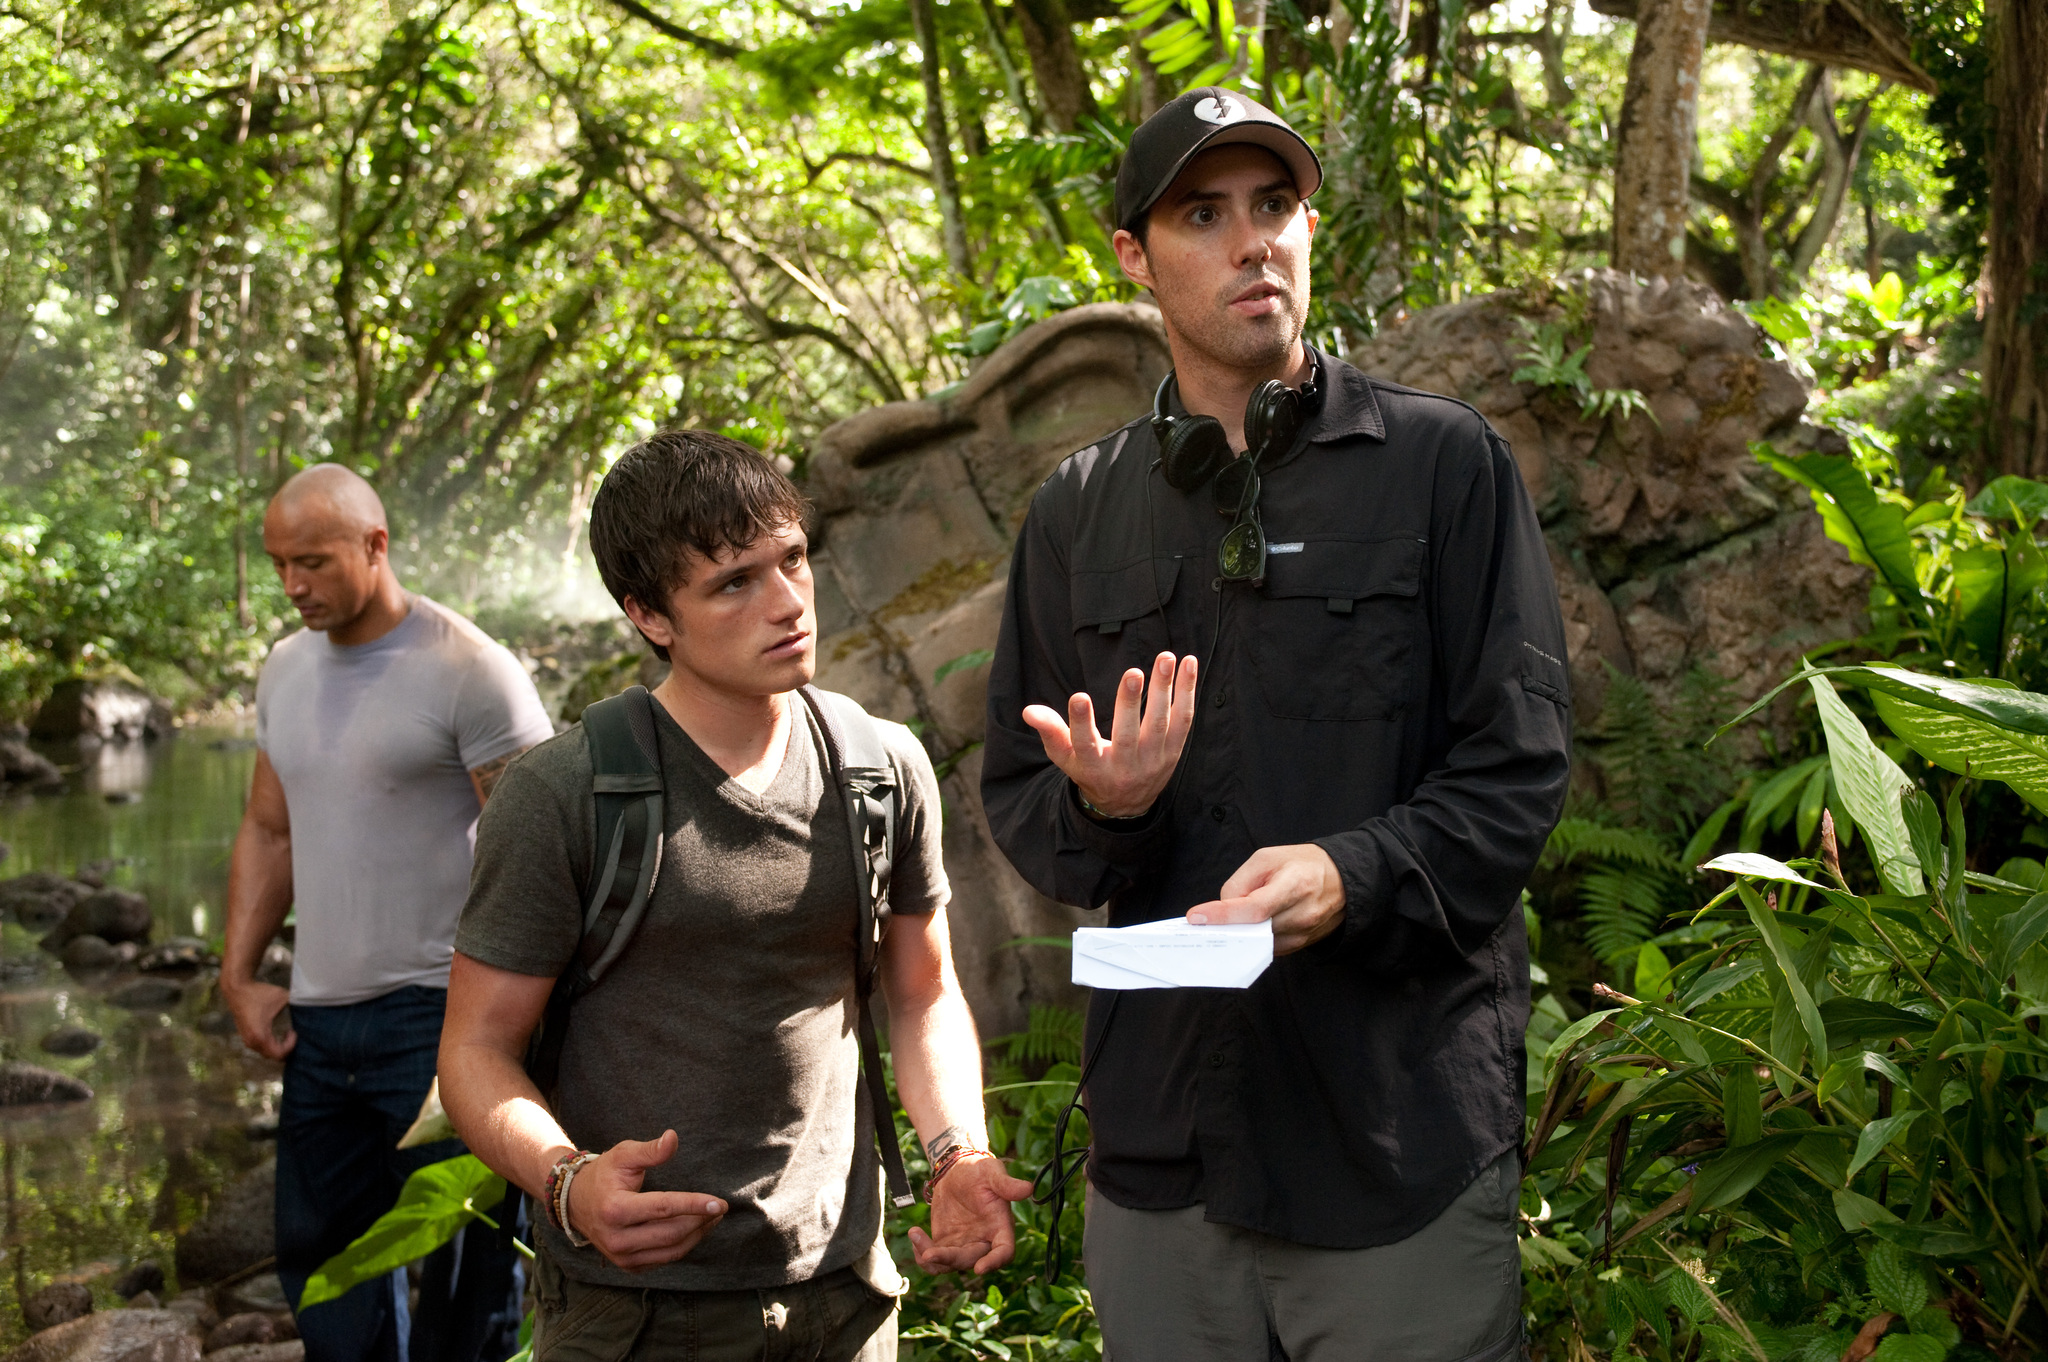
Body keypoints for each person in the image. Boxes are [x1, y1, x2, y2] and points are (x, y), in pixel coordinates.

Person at [981, 87, 1572, 1362]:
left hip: (1389, 1135)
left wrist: (1345, 875)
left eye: (1274, 206)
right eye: (1205, 213)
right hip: (1161, 1148)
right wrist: (1108, 806)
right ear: (1133, 256)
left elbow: (1517, 771)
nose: (1254, 241)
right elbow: (1020, 798)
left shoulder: (1441, 465)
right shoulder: (1075, 514)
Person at [437, 431, 1032, 1362]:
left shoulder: (879, 769)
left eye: (792, 560)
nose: (789, 603)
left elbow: (922, 993)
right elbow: (475, 1050)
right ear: (650, 616)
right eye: (733, 583)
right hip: (632, 1313)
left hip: (846, 1294)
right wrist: (568, 1184)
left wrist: (958, 1151)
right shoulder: (564, 794)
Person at [222, 463, 556, 1362]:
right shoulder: (284, 670)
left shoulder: (470, 669)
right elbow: (268, 826)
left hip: (443, 1019)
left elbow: (543, 848)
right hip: (320, 1027)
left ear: (376, 546)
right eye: (279, 564)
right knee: (324, 1264)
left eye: (314, 562)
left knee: (468, 1271)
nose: (293, 585)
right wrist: (241, 973)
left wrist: (526, 1014)